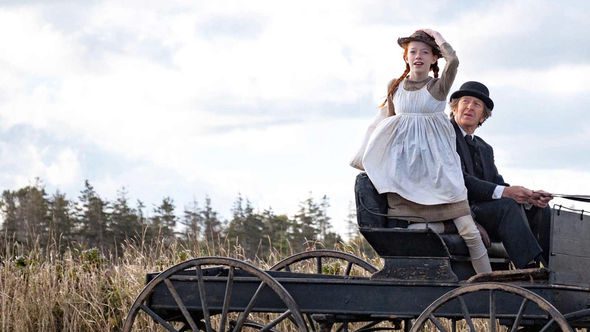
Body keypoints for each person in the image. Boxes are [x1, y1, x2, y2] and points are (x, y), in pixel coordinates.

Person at [351, 30, 492, 274]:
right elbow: (389, 125)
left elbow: (454, 61)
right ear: (406, 57)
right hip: (406, 169)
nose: (418, 56)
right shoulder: (394, 86)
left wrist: (436, 36)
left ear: (434, 59)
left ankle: (489, 283)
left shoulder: (437, 86)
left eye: (425, 52)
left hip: (438, 168)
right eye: (413, 51)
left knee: (469, 231)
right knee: (406, 228)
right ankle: (433, 234)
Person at [448, 81, 552, 268]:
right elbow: (459, 180)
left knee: (541, 209)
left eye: (477, 105)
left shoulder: (485, 148)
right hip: (462, 209)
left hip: (487, 211)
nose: (470, 107)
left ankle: (548, 266)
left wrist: (529, 196)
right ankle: (529, 267)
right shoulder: (444, 137)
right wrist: (506, 194)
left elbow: (497, 182)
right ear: (455, 108)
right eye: (465, 101)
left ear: (483, 117)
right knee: (507, 206)